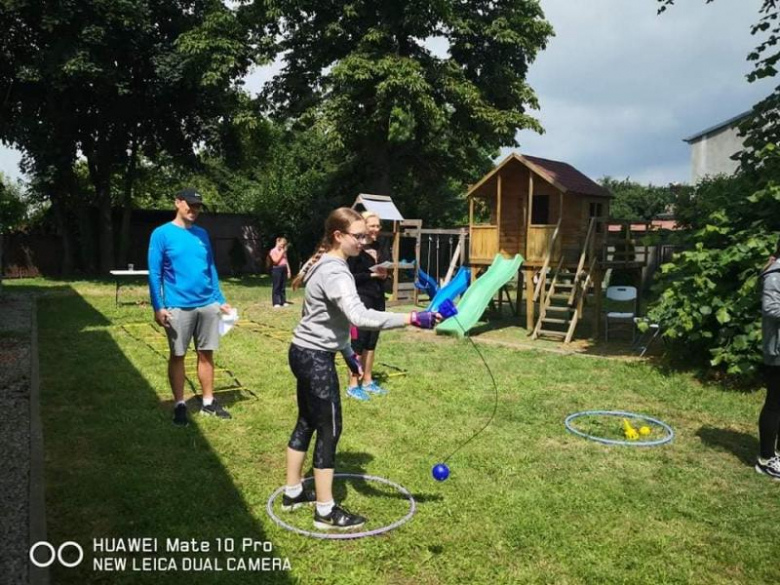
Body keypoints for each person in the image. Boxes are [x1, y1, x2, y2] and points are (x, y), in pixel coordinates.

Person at [282, 207, 441, 530]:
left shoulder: (324, 263)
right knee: (329, 428)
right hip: (314, 358)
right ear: (339, 236)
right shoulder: (336, 271)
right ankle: (325, 511)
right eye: (359, 236)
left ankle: (293, 491)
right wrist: (411, 318)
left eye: (366, 235)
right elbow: (359, 316)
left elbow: (325, 318)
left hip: (303, 351)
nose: (365, 240)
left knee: (307, 421)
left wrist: (346, 352)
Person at [148, 188, 233, 426]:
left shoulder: (202, 234)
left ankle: (208, 402)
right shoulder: (161, 234)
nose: (194, 210)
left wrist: (220, 298)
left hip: (207, 305)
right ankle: (180, 405)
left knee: (206, 353)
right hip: (178, 306)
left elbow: (211, 268)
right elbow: (154, 273)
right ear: (177, 202)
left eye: (197, 206)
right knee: (178, 355)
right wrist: (158, 305)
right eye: (190, 205)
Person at [346, 211, 389, 400]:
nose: (376, 230)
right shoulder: (355, 249)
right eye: (372, 226)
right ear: (363, 226)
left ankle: (368, 381)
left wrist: (386, 274)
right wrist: (371, 275)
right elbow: (348, 277)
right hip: (361, 299)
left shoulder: (381, 246)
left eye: (378, 226)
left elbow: (386, 267)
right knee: (358, 342)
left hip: (378, 297)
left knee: (371, 342)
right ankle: (353, 384)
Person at [757, 240, 780, 478]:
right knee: (775, 403)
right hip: (777, 350)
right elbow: (771, 309)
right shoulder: (775, 274)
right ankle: (765, 458)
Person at [268, 236, 292, 308]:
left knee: (283, 286)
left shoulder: (283, 251)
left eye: (284, 245)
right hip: (277, 269)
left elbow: (286, 261)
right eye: (281, 244)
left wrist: (288, 270)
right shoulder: (273, 251)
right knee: (277, 286)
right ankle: (276, 302)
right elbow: (275, 261)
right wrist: (282, 252)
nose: (282, 246)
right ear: (277, 242)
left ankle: (283, 301)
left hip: (284, 268)